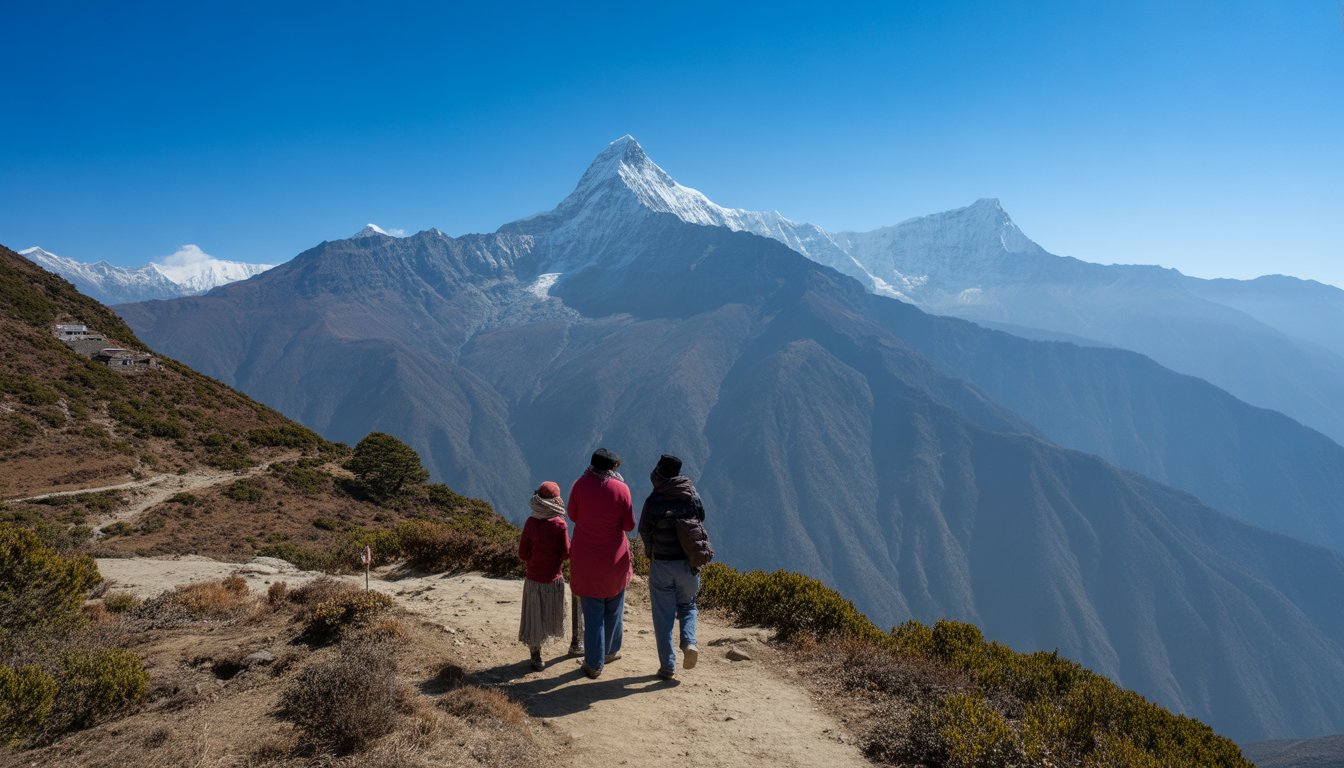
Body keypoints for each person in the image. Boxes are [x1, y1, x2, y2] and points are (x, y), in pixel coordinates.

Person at [566, 448, 634, 679]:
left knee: (593, 612)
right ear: (613, 466)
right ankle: (611, 650)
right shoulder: (622, 489)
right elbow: (629, 525)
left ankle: (594, 664)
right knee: (614, 605)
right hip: (615, 559)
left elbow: (572, 515)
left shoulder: (579, 484)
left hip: (586, 558)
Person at [638, 454, 706, 680]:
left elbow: (645, 530)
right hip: (688, 564)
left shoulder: (654, 499)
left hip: (662, 564)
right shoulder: (691, 495)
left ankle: (667, 665)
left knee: (663, 615)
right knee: (687, 605)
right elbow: (701, 518)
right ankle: (689, 643)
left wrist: (650, 553)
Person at [517, 481, 570, 671]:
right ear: (556, 501)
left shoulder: (531, 522)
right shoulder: (559, 524)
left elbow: (523, 553)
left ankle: (535, 653)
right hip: (553, 579)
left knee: (534, 616)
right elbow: (565, 553)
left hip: (533, 578)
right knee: (549, 614)